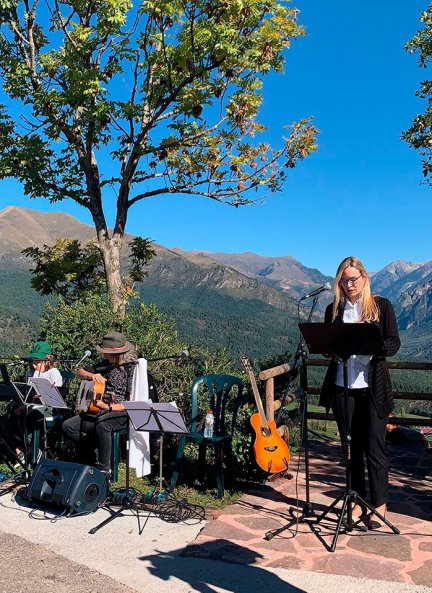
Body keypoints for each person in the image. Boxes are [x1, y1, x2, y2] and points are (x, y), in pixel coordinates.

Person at [319, 256, 401, 529]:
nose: (349, 284)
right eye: (343, 280)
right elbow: (326, 345)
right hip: (343, 387)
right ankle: (357, 501)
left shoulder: (381, 306)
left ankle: (379, 504)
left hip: (372, 389)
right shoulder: (334, 309)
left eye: (353, 279)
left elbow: (393, 343)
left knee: (375, 449)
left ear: (364, 278)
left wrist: (369, 344)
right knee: (350, 449)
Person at [62, 331, 136, 477]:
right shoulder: (106, 365)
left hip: (121, 412)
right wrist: (92, 375)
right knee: (69, 426)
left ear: (116, 354)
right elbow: (80, 372)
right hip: (101, 409)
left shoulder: (132, 369)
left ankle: (104, 469)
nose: (104, 355)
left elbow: (132, 403)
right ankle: (92, 457)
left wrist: (109, 407)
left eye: (106, 353)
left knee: (103, 425)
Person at [0, 340, 63, 467]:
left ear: (47, 360)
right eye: (33, 362)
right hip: (32, 406)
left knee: (29, 418)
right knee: (5, 420)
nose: (34, 365)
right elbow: (28, 394)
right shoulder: (31, 372)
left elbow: (55, 396)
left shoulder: (53, 372)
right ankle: (19, 452)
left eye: (37, 362)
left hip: (48, 408)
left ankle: (32, 450)